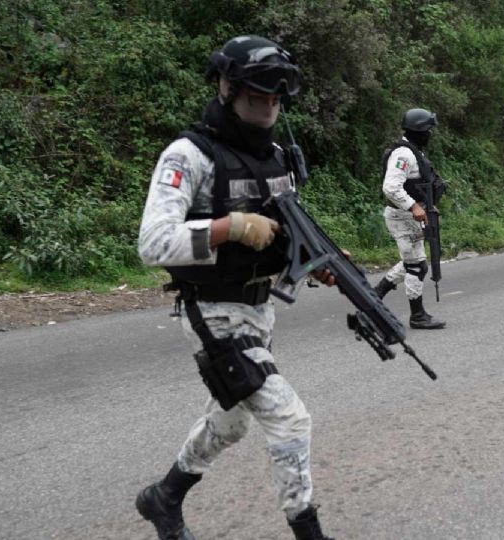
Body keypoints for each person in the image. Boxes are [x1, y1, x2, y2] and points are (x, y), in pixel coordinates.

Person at [135, 35, 334, 540]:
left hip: (259, 309)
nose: (267, 108)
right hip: (211, 310)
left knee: (232, 421)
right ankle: (307, 531)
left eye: (275, 100)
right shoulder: (190, 155)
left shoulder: (276, 156)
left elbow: (287, 228)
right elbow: (154, 243)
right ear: (227, 90)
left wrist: (316, 261)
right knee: (289, 418)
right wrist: (230, 227)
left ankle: (165, 497)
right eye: (256, 97)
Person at [371, 108, 446, 329]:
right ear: (420, 130)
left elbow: (419, 186)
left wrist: (428, 207)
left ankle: (374, 295)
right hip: (401, 216)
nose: (431, 134)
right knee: (416, 266)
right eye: (429, 130)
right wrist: (413, 206)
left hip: (410, 216)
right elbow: (390, 187)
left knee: (415, 264)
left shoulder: (414, 152)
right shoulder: (403, 154)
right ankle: (418, 316)